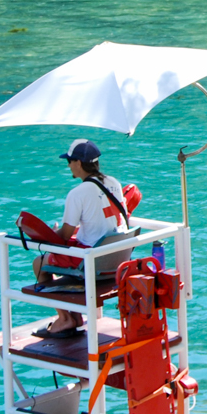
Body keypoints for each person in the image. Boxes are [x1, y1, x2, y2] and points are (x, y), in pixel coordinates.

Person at [32, 139, 128, 339]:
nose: (68, 165)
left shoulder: (77, 193)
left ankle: (66, 317)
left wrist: (46, 235)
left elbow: (65, 235)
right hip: (117, 257)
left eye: (69, 161)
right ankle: (72, 317)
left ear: (78, 163)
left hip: (91, 260)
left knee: (39, 263)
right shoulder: (114, 183)